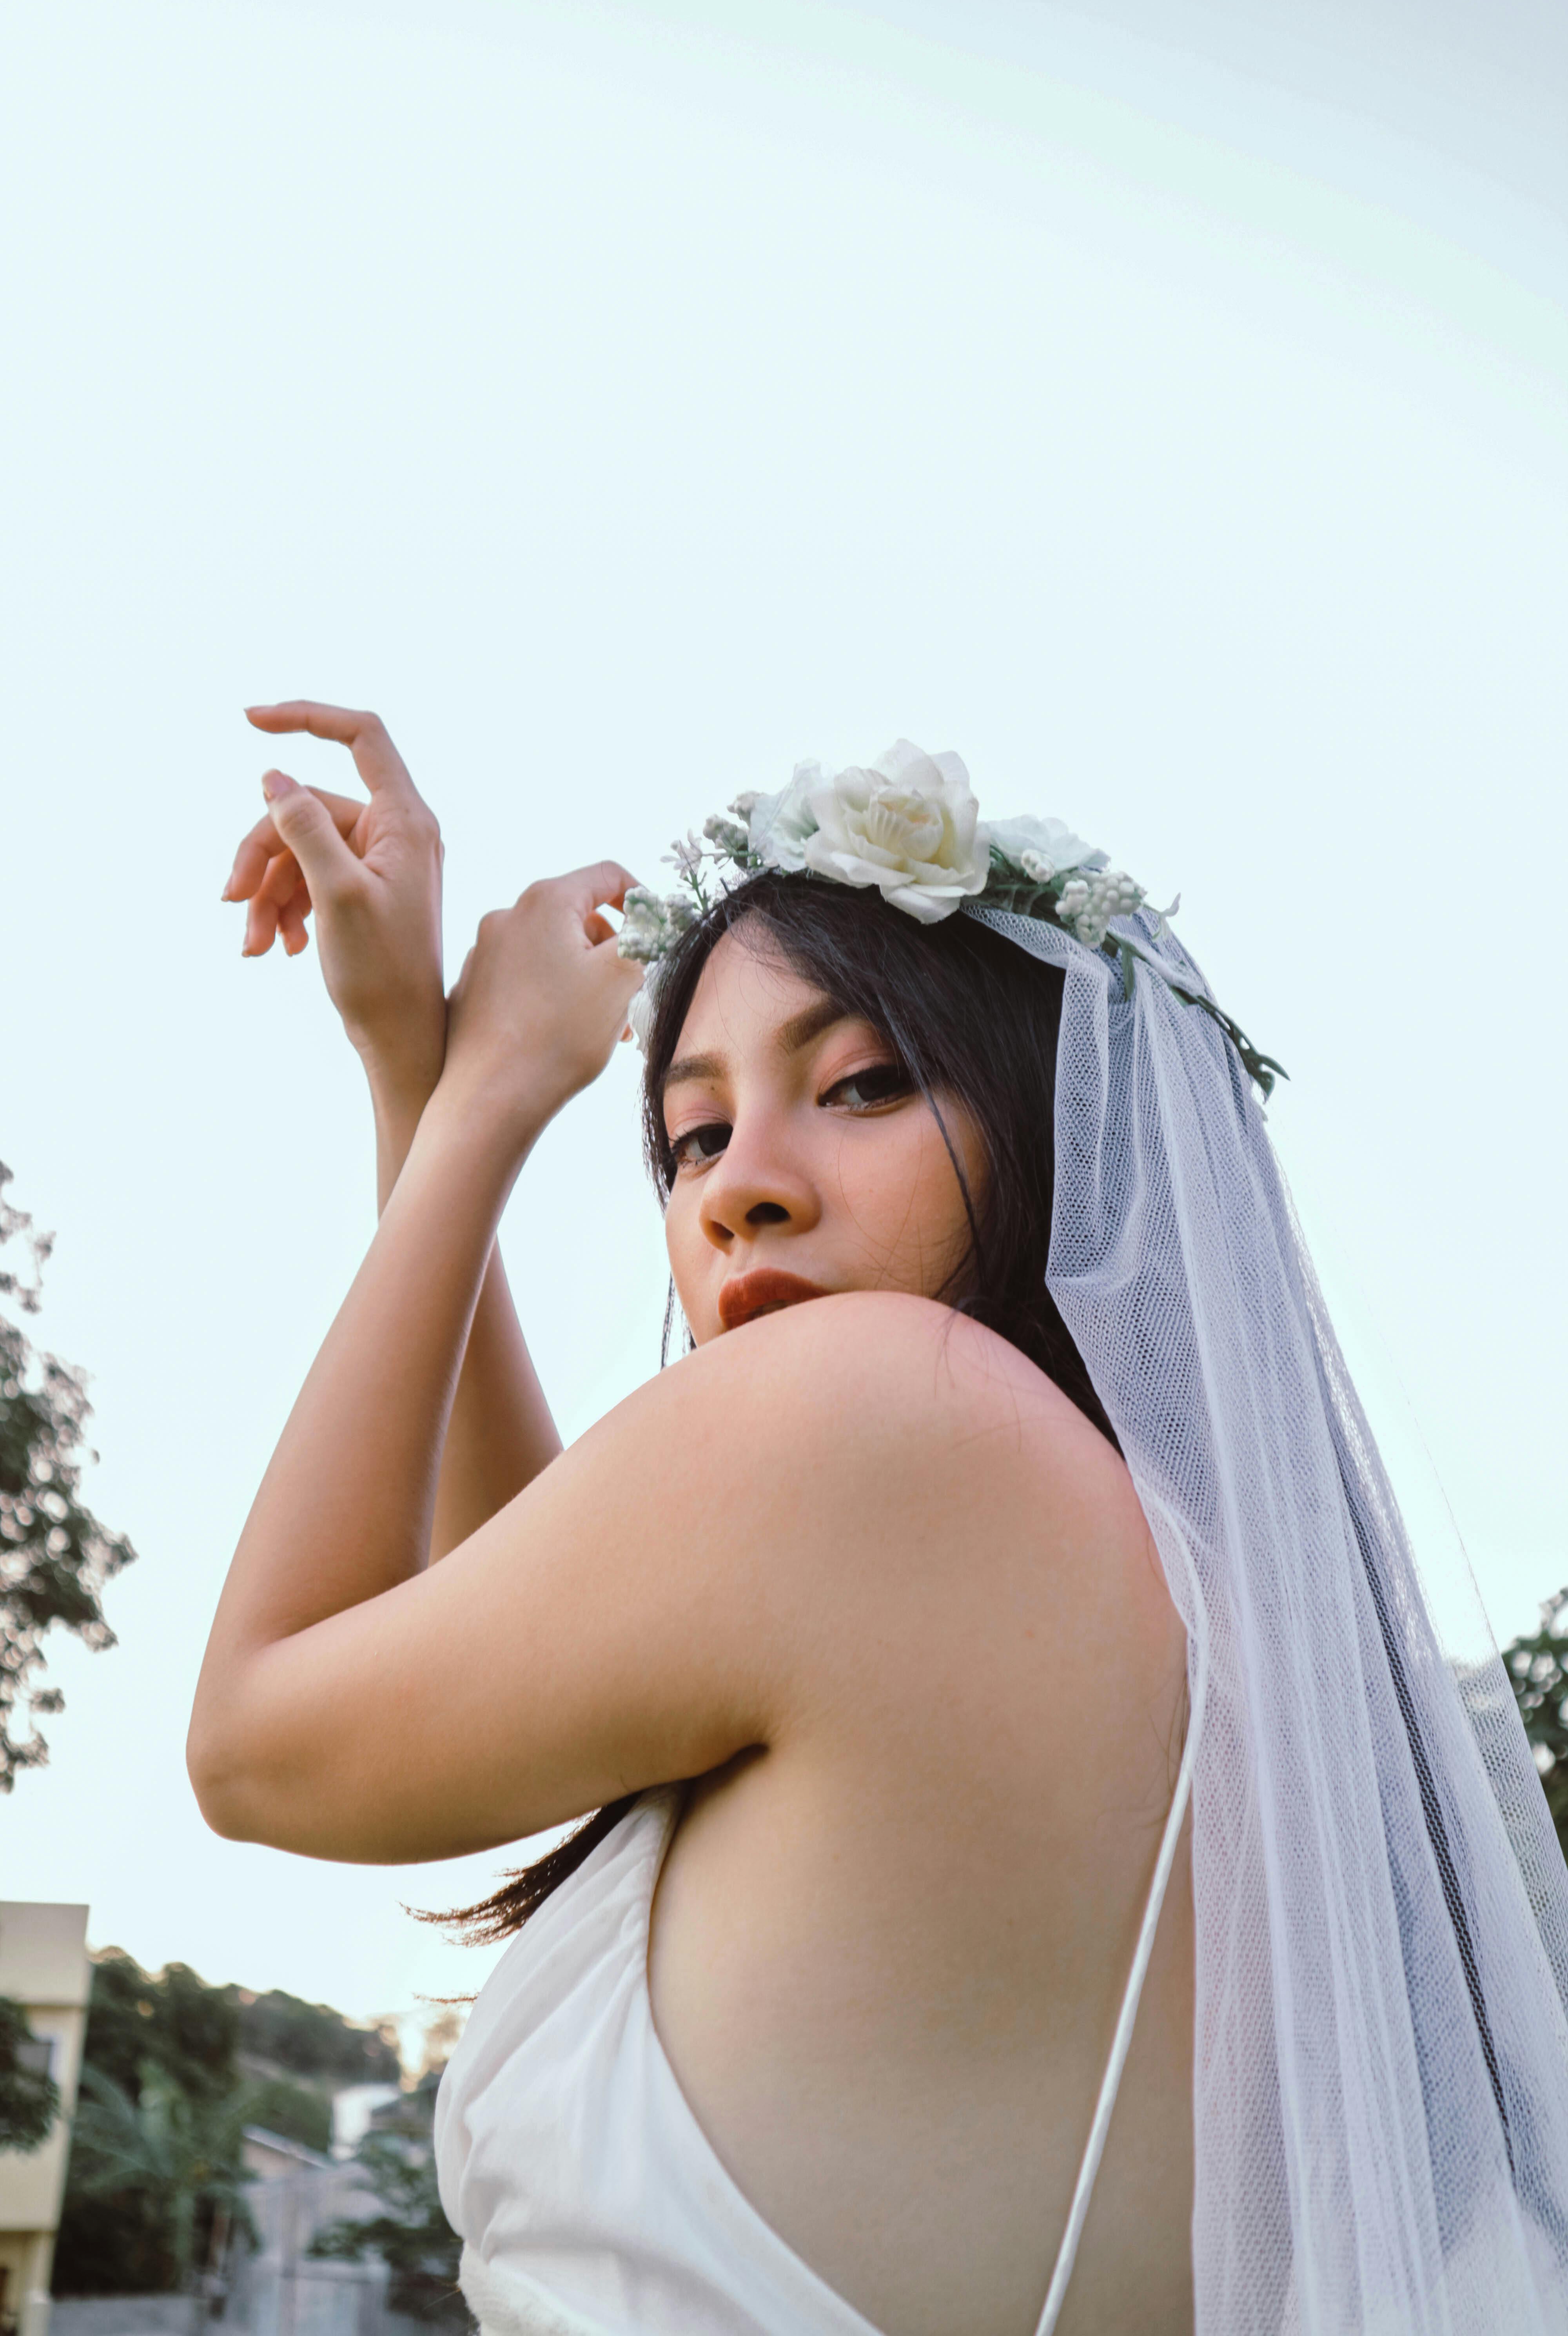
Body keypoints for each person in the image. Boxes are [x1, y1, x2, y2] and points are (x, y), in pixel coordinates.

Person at [190, 706, 1568, 2336]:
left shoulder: (890, 1411)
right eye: (692, 1131)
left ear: (1062, 1128)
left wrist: (489, 1092)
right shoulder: (1175, 1634)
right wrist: (416, 1085)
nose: (735, 1185)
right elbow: (551, 1610)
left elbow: (259, 1738)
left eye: (861, 1083)